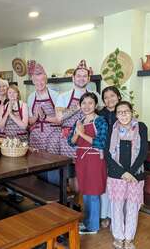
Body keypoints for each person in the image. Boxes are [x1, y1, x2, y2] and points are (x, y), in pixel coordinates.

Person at [105, 101, 147, 249]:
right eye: (119, 112)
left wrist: (131, 172)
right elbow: (107, 154)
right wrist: (123, 173)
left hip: (136, 175)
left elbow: (143, 152)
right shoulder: (112, 128)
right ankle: (118, 236)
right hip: (116, 175)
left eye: (126, 111)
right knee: (116, 207)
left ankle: (129, 238)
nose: (123, 115)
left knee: (132, 208)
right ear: (116, 114)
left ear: (132, 112)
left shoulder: (141, 127)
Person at [68, 92, 108, 235]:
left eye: (90, 103)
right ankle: (87, 222)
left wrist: (82, 133)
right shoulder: (79, 121)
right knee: (85, 192)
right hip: (81, 159)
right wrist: (78, 132)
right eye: (83, 103)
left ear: (96, 105)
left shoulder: (100, 121)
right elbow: (70, 142)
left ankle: (93, 227)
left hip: (95, 159)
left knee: (94, 193)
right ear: (79, 105)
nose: (86, 106)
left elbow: (100, 143)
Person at [99, 86, 122, 229]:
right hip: (104, 154)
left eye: (112, 96)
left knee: (118, 185)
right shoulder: (100, 114)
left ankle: (116, 215)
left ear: (118, 97)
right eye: (106, 97)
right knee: (105, 185)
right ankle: (104, 215)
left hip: (121, 155)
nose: (109, 99)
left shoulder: (124, 112)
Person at [27, 62, 60, 154]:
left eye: (42, 80)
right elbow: (30, 121)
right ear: (33, 81)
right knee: (35, 161)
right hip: (36, 134)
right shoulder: (31, 97)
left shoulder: (55, 95)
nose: (39, 83)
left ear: (46, 81)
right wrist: (36, 116)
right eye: (37, 80)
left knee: (52, 160)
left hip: (53, 132)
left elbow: (60, 119)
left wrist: (45, 116)